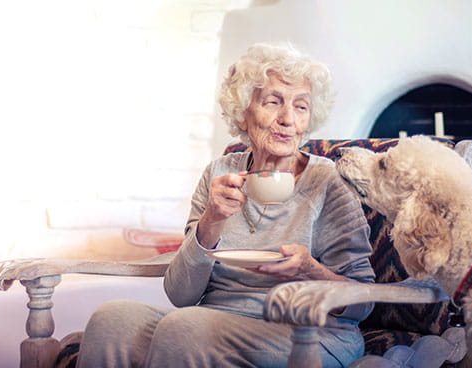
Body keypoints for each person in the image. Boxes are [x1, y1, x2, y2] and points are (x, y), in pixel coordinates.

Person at [76, 42, 375, 368]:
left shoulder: (328, 182)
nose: (288, 118)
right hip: (214, 318)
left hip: (308, 332)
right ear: (243, 114)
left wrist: (310, 270)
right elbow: (180, 295)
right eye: (273, 102)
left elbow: (363, 303)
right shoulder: (220, 173)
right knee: (113, 319)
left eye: (301, 107)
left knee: (187, 326)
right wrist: (212, 220)